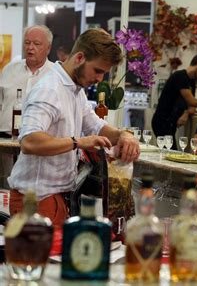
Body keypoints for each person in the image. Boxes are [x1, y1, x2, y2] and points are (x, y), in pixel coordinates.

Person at [7, 28, 140, 227]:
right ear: (79, 58)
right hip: (37, 201)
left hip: (55, 197)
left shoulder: (75, 90)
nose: (99, 79)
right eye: (97, 70)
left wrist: (124, 136)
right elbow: (29, 141)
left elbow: (95, 125)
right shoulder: (49, 90)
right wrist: (78, 142)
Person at [0, 25, 55, 138]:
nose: (30, 47)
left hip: (41, 143)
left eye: (36, 43)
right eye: (27, 42)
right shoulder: (9, 70)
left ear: (48, 48)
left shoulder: (56, 74)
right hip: (6, 138)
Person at [151, 53, 197, 148]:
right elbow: (191, 101)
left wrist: (186, 114)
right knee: (170, 153)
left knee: (170, 152)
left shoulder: (191, 82)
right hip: (162, 121)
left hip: (171, 124)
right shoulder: (180, 76)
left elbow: (191, 106)